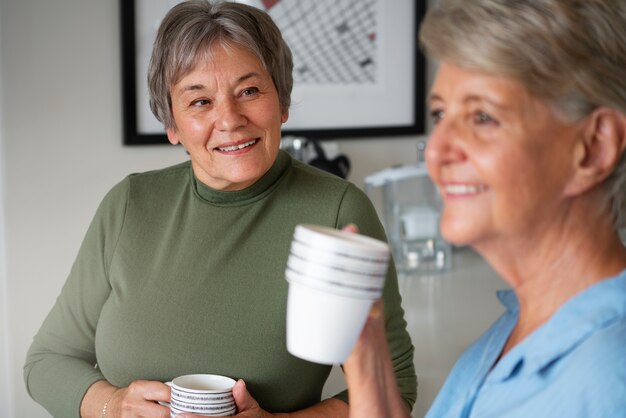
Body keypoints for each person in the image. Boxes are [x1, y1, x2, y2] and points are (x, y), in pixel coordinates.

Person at [23, 1, 417, 417]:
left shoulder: (337, 211)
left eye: (249, 91)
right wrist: (113, 405)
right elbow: (48, 360)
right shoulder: (128, 206)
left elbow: (395, 387)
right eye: (199, 102)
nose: (229, 120)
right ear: (172, 125)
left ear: (281, 101)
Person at [343, 0, 626, 417]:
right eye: (440, 114)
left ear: (594, 147)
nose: (436, 151)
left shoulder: (607, 379)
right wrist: (364, 349)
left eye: (482, 117)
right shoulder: (512, 331)